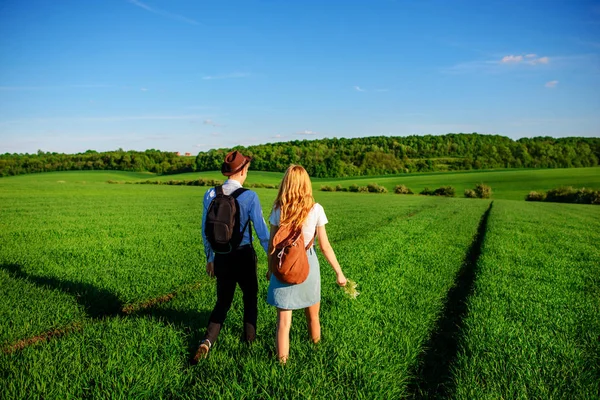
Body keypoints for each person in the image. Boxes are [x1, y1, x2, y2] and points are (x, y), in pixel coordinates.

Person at [193, 150, 270, 362]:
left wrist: (210, 258)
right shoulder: (250, 196)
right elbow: (263, 234)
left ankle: (206, 342)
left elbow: (204, 229)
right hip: (244, 255)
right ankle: (249, 342)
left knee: (223, 302)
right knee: (250, 299)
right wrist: (272, 260)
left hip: (221, 256)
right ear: (243, 170)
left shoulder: (210, 194)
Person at [266, 164, 347, 364]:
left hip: (283, 265)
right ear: (306, 184)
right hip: (308, 264)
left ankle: (282, 364)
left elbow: (272, 245)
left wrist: (271, 270)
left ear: (287, 183)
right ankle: (316, 352)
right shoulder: (316, 209)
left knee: (283, 324)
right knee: (313, 317)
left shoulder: (278, 209)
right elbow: (325, 246)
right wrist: (339, 273)